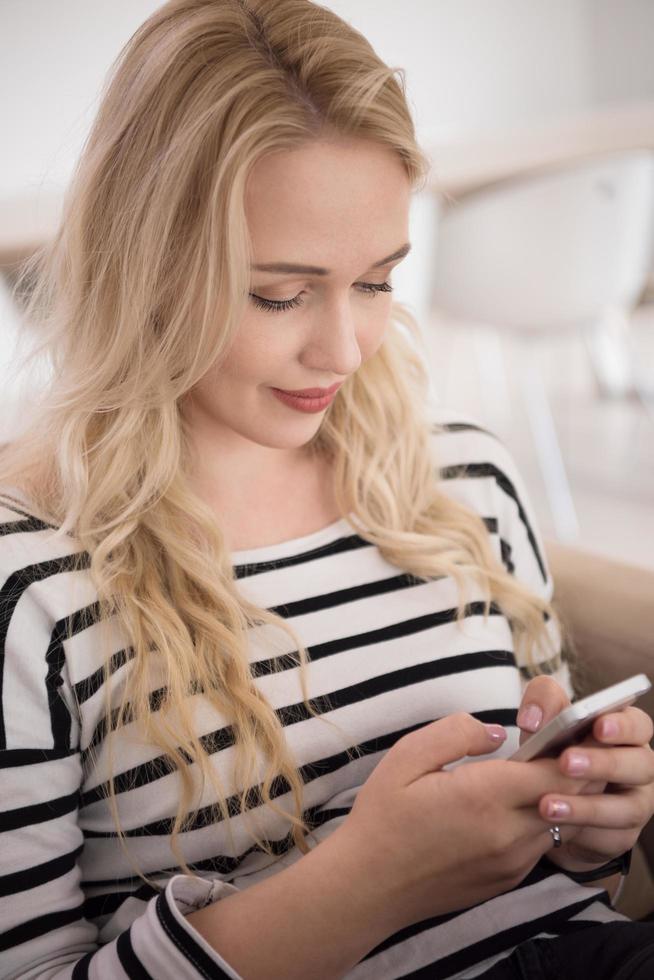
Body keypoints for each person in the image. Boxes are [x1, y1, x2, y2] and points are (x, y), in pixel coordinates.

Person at [1, 1, 653, 977]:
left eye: (379, 280)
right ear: (146, 264)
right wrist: (367, 879)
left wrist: (587, 824)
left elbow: (566, 879)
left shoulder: (466, 480)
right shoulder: (34, 582)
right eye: (281, 293)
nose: (343, 349)